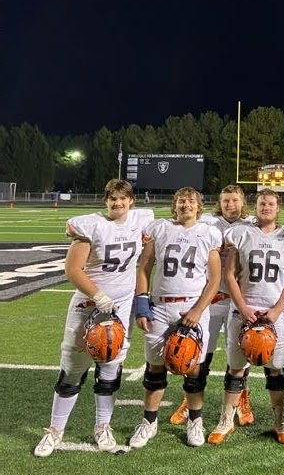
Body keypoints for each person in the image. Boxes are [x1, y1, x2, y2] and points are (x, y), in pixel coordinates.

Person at [34, 179, 154, 457]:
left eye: (123, 199)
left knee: (111, 369)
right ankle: (55, 431)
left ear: (131, 201)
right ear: (105, 201)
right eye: (112, 199)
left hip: (122, 306)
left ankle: (103, 426)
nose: (118, 203)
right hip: (89, 304)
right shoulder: (89, 225)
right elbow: (73, 269)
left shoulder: (141, 220)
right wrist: (99, 296)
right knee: (73, 371)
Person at [207, 188, 284, 446]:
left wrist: (274, 311)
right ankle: (226, 420)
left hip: (276, 313)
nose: (266, 207)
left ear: (278, 208)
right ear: (256, 206)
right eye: (262, 203)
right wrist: (243, 307)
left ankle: (280, 422)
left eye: (271, 204)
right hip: (243, 310)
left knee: (276, 371)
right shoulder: (242, 234)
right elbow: (230, 275)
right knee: (236, 369)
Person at [128, 187, 222, 448]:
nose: (185, 205)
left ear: (199, 206)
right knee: (154, 369)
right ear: (175, 205)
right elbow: (145, 266)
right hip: (160, 307)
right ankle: (149, 422)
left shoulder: (209, 233)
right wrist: (142, 302)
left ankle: (195, 421)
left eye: (191, 201)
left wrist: (198, 310)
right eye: (181, 201)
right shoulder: (160, 229)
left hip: (192, 306)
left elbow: (215, 280)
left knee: (193, 370)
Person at [169, 184, 256, 426]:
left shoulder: (251, 225)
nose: (230, 205)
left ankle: (242, 398)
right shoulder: (207, 222)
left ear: (242, 203)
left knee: (240, 355)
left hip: (239, 299)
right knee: (200, 353)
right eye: (226, 200)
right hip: (212, 298)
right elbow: (178, 225)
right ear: (220, 202)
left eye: (234, 200)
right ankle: (190, 401)